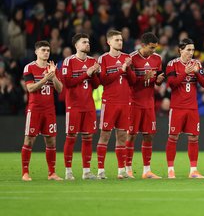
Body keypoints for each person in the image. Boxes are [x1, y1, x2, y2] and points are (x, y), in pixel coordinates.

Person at [21, 40, 63, 181]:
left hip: (49, 110)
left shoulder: (52, 67)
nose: (46, 52)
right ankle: (25, 173)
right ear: (36, 52)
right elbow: (30, 88)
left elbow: (60, 89)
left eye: (48, 50)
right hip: (35, 110)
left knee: (51, 141)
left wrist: (53, 76)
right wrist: (46, 78)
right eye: (43, 50)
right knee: (29, 140)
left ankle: (52, 173)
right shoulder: (29, 68)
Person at [165, 38, 204, 179]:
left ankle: (193, 170)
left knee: (194, 138)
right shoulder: (172, 64)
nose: (191, 52)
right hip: (177, 107)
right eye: (188, 49)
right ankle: (171, 169)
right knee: (173, 137)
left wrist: (196, 72)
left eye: (192, 50)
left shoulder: (196, 63)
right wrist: (184, 72)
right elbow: (172, 84)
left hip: (192, 107)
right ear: (180, 50)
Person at [96, 30, 136, 179]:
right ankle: (100, 170)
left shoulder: (127, 58)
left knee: (121, 136)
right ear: (109, 42)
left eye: (121, 40)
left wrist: (129, 68)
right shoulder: (103, 59)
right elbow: (103, 80)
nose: (120, 42)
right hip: (110, 102)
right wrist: (121, 69)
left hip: (125, 102)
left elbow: (133, 81)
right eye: (117, 40)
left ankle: (121, 171)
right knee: (104, 135)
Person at [126, 32, 165, 179]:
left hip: (149, 103)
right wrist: (143, 78)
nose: (153, 51)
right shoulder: (131, 58)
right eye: (151, 48)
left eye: (155, 48)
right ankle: (128, 169)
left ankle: (146, 170)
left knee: (149, 135)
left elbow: (155, 81)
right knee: (131, 135)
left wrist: (158, 80)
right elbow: (129, 82)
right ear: (143, 45)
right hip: (134, 102)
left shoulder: (157, 59)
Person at [61, 33, 101, 180]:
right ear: (76, 45)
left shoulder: (92, 61)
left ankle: (86, 172)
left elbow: (96, 85)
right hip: (74, 105)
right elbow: (68, 83)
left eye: (88, 42)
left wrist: (95, 74)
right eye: (84, 42)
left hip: (88, 105)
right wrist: (87, 73)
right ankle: (68, 171)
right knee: (71, 137)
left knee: (88, 138)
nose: (87, 44)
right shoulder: (69, 61)